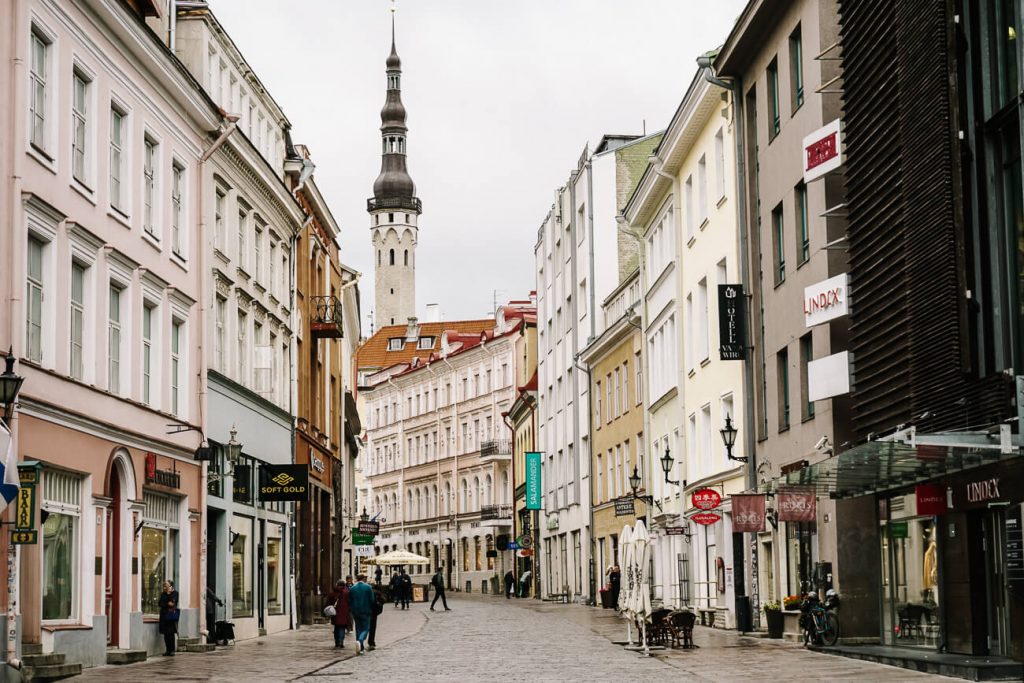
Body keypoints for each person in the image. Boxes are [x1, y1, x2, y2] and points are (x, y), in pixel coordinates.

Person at [348, 574, 374, 654]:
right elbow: (372, 600)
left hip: (355, 611)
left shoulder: (352, 588)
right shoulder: (368, 587)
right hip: (366, 611)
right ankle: (360, 640)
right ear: (363, 579)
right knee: (366, 628)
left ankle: (361, 647)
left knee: (358, 628)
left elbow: (349, 600)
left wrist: (352, 609)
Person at [325, 579, 352, 649]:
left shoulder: (333, 592)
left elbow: (328, 603)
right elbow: (350, 602)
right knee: (342, 628)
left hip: (335, 613)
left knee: (336, 628)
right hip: (344, 613)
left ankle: (337, 642)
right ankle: (341, 642)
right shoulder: (347, 592)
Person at [158, 580, 179, 656]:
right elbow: (160, 603)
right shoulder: (163, 593)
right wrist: (167, 602)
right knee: (166, 634)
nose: (165, 587)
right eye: (165, 586)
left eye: (167, 586)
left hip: (171, 616)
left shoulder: (175, 593)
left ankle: (172, 650)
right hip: (164, 615)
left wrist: (168, 597)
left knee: (171, 634)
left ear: (171, 586)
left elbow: (173, 603)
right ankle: (167, 650)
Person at [368, 582, 386, 651]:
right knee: (372, 628)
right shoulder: (377, 593)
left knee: (365, 627)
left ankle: (361, 641)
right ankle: (371, 642)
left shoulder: (367, 593)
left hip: (366, 611)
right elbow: (384, 600)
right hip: (374, 612)